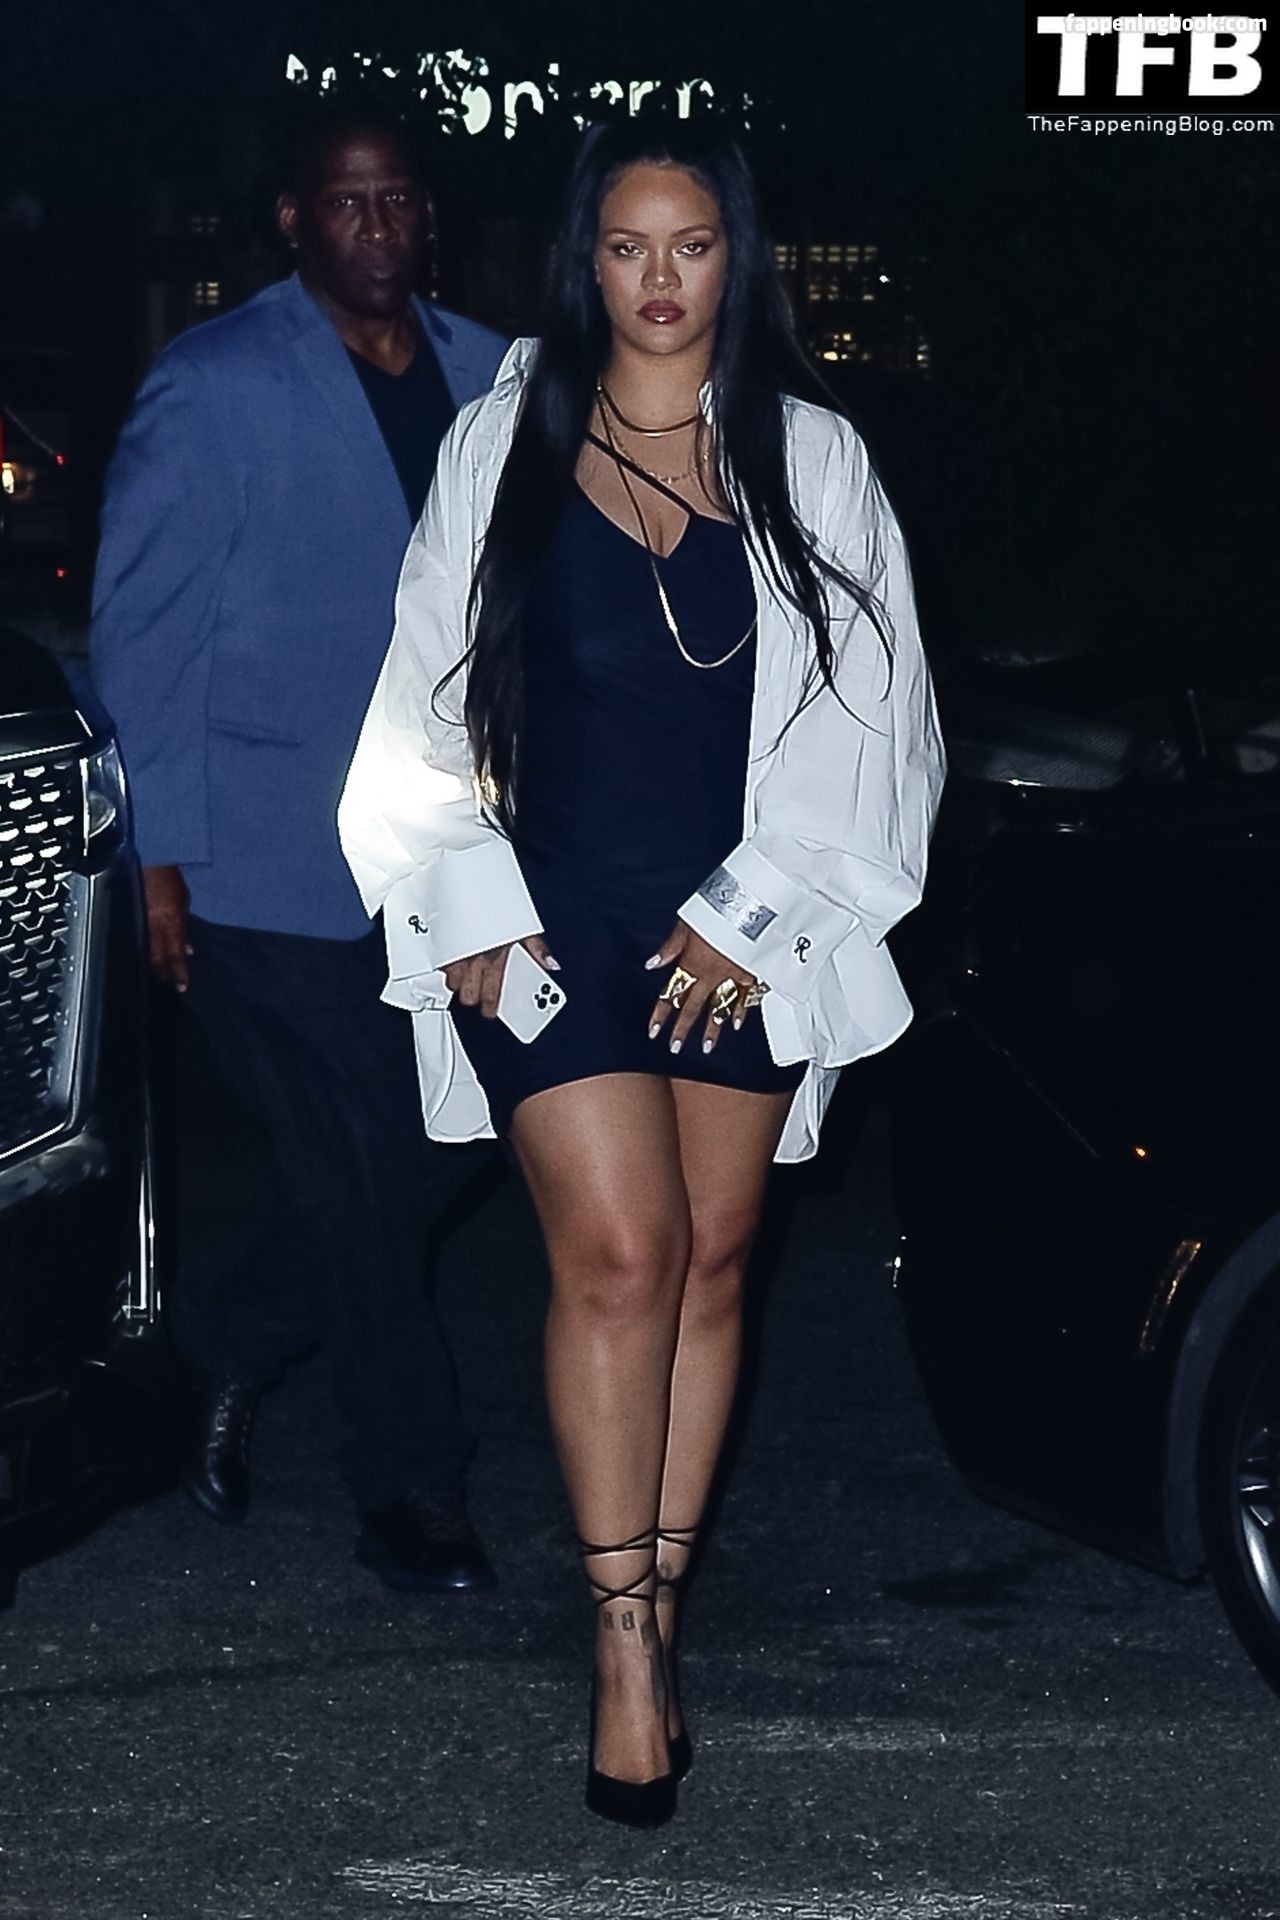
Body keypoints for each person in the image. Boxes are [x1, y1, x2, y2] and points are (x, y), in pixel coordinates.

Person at [338, 119, 946, 1819]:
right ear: (584, 261)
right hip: (548, 912)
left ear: (735, 259)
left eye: (691, 245)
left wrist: (759, 912)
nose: (659, 280)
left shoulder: (813, 459)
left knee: (713, 1264)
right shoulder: (507, 435)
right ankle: (620, 1643)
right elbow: (423, 688)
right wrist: (460, 898)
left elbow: (879, 721)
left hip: (742, 921)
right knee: (621, 1255)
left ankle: (667, 1607)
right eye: (627, 246)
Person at [91, 102, 507, 1594]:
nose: (377, 226)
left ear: (428, 213)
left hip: (453, 853)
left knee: (461, 1134)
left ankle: (219, 1343)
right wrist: (155, 855)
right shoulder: (214, 383)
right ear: (292, 218)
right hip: (262, 860)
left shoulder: (496, 373)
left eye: (399, 199)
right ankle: (411, 1489)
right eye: (345, 202)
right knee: (373, 1153)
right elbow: (143, 628)